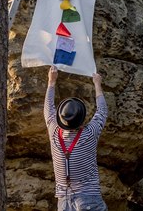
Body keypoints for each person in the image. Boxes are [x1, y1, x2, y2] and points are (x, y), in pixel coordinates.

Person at [45, 65, 108, 211]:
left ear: (61, 118)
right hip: (89, 199)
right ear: (81, 118)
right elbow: (102, 111)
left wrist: (51, 82)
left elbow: (48, 110)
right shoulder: (89, 134)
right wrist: (97, 84)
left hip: (64, 202)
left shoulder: (54, 133)